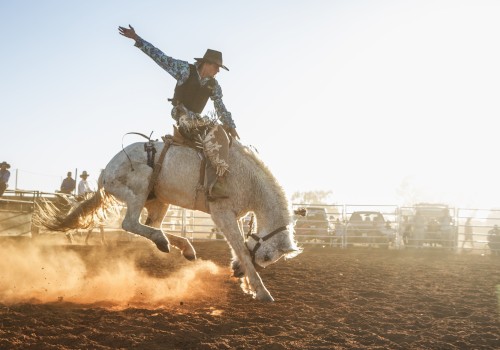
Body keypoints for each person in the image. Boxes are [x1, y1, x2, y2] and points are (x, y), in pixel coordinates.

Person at [118, 24, 238, 200]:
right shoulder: (184, 70)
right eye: (217, 67)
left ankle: (217, 181)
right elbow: (160, 58)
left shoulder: (214, 85)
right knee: (195, 125)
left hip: (197, 119)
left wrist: (230, 126)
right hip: (181, 114)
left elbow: (220, 107)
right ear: (207, 64)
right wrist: (137, 39)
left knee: (218, 135)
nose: (218, 71)